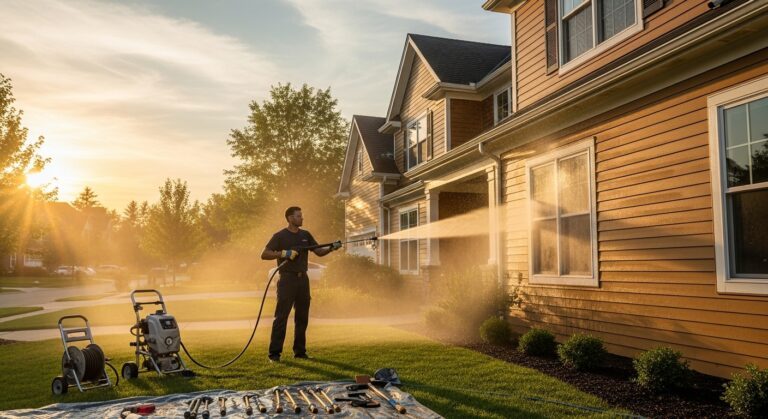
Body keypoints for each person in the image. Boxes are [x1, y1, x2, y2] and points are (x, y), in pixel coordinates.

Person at [261, 206, 341, 362]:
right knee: (281, 317)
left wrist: (332, 248)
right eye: (298, 216)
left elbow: (319, 252)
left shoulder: (306, 235)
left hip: (303, 280)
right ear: (290, 218)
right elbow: (264, 254)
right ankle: (274, 354)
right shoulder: (279, 236)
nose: (302, 219)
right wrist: (284, 253)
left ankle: (299, 352)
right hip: (287, 280)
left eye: (301, 216)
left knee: (302, 317)